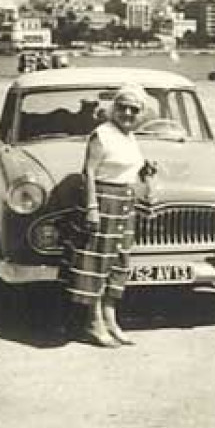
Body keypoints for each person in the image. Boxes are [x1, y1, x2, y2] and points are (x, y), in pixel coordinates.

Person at [65, 83, 156, 347]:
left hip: (125, 203)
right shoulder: (101, 134)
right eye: (122, 107)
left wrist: (145, 171)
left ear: (141, 113)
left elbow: (126, 168)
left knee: (118, 261)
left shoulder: (130, 136)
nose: (127, 113)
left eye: (134, 109)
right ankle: (93, 323)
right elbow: (89, 172)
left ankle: (111, 319)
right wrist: (92, 208)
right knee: (98, 262)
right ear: (113, 108)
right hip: (103, 202)